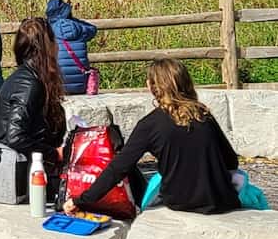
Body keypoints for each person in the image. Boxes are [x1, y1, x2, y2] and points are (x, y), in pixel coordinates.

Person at [64, 58, 240, 216]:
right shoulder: (203, 114)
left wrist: (81, 200)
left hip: (182, 201)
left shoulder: (151, 124)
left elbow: (118, 169)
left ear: (151, 87)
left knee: (128, 164)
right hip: (222, 199)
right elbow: (231, 161)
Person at [0, 16, 66, 192]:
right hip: (22, 173)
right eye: (54, 40)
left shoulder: (28, 78)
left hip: (27, 166)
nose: (57, 46)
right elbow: (15, 137)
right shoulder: (28, 84)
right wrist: (54, 153)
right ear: (47, 48)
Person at [46, 0, 97, 96]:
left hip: (57, 86)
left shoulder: (48, 30)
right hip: (81, 85)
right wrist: (74, 20)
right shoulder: (80, 28)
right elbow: (93, 29)